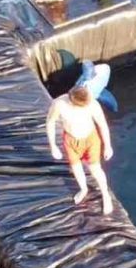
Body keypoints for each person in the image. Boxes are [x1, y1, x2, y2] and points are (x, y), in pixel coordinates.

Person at [46, 85, 115, 215]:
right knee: (76, 167)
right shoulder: (59, 104)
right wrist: (53, 146)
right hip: (71, 140)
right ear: (72, 100)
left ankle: (105, 194)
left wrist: (108, 145)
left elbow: (102, 124)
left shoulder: (93, 104)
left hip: (90, 139)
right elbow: (50, 122)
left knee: (95, 169)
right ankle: (83, 189)